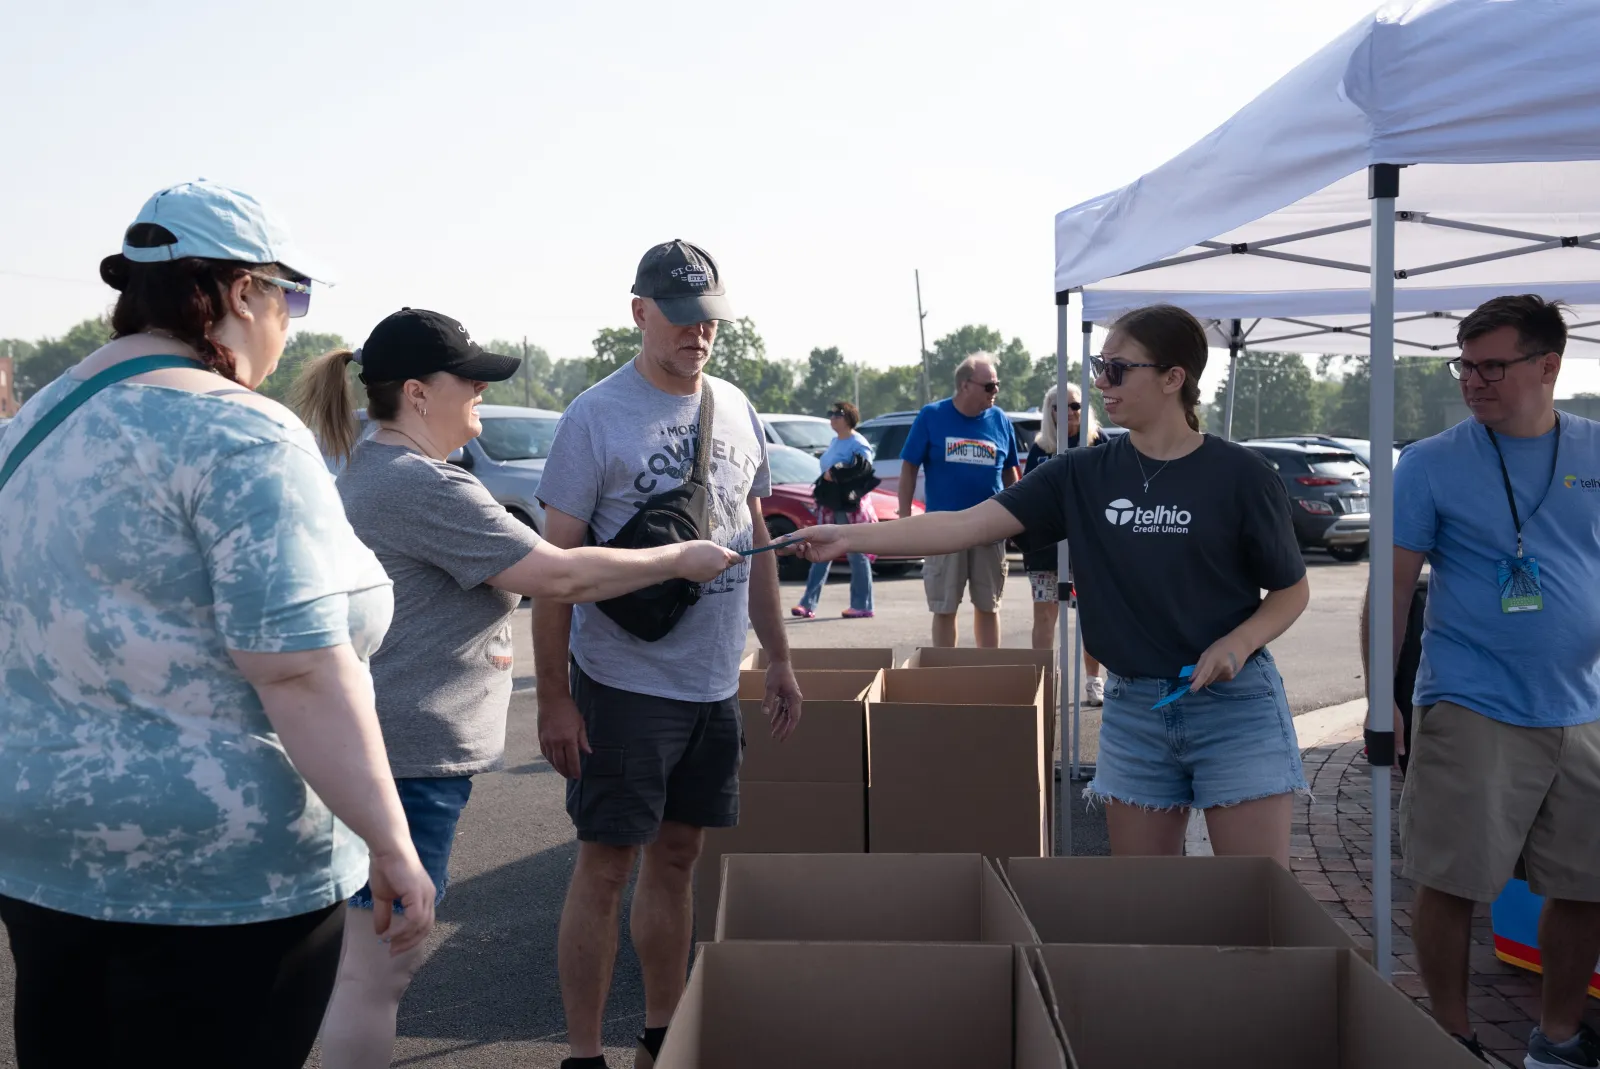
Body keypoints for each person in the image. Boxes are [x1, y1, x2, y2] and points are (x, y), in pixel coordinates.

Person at [0, 180, 434, 1068]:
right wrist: (393, 844)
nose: (291, 322)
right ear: (243, 293)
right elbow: (300, 669)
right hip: (221, 877)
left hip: (41, 849)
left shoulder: (30, 425)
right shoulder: (240, 434)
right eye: (292, 296)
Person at [291, 309, 741, 1069]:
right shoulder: (419, 484)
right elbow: (558, 574)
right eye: (466, 379)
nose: (478, 392)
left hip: (387, 749)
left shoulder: (374, 468)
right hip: (407, 761)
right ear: (416, 392)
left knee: (366, 965)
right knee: (381, 968)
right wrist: (675, 559)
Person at [794, 304, 1310, 864]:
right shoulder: (1079, 473)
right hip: (1135, 708)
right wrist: (850, 540)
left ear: (1172, 378)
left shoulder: (1241, 475)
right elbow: (965, 524)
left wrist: (1239, 642)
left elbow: (1291, 591)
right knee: (1151, 909)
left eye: (1117, 368)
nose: (1099, 382)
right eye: (1099, 364)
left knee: (1255, 906)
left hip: (1234, 707)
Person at [534, 240, 804, 1069]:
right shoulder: (595, 416)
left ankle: (660, 1035)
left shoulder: (736, 405)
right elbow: (554, 571)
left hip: (711, 683)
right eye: (681, 317)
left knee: (679, 858)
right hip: (621, 682)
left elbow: (754, 535)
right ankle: (584, 1052)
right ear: (639, 312)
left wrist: (780, 655)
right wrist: (553, 696)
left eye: (710, 319)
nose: (698, 334)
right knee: (606, 864)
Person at [1388, 294, 1600, 1068]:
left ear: (1549, 367)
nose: (1472, 381)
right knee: (1450, 878)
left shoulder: (1596, 450)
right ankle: (1449, 1036)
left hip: (1584, 708)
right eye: (1465, 364)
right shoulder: (1433, 462)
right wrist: (1386, 700)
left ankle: (1560, 1036)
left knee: (1586, 884)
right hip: (1473, 701)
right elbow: (1394, 587)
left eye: (1492, 366)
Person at [899, 353, 1021, 647]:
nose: (996, 391)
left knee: (988, 605)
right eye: (989, 386)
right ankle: (945, 677)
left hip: (990, 528)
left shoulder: (1000, 420)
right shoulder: (932, 416)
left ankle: (988, 673)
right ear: (965, 385)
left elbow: (1011, 475)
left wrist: (1018, 521)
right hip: (944, 528)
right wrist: (904, 518)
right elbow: (909, 467)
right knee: (944, 606)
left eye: (997, 385)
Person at [1025, 383, 1108, 705]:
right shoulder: (1041, 448)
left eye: (1075, 406)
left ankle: (1093, 680)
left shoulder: (1098, 442)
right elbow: (1028, 493)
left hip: (1088, 544)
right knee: (1045, 615)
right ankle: (1041, 682)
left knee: (1092, 614)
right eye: (1062, 406)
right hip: (1046, 544)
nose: (1070, 412)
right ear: (1051, 411)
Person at [792, 400, 876, 619]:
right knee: (820, 551)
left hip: (850, 507)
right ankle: (807, 603)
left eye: (838, 414)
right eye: (831, 413)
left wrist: (839, 473)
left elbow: (865, 470)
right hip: (831, 504)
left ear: (849, 418)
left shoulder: (858, 442)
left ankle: (863, 604)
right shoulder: (834, 441)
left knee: (857, 554)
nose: (833, 417)